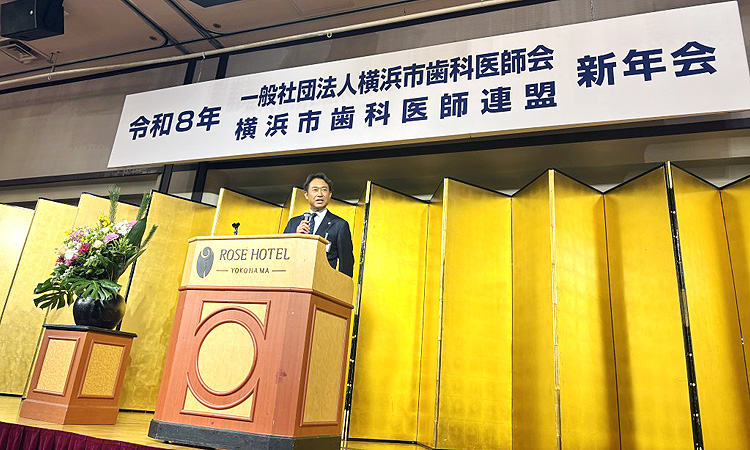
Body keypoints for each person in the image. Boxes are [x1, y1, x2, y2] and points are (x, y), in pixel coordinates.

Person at [283, 173, 354, 277]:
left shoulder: (339, 225)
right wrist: (295, 237)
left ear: (330, 194)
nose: (320, 194)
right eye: (315, 190)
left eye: (324, 190)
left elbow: (346, 264)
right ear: (306, 194)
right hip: (294, 278)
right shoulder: (293, 223)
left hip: (323, 280)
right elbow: (283, 254)